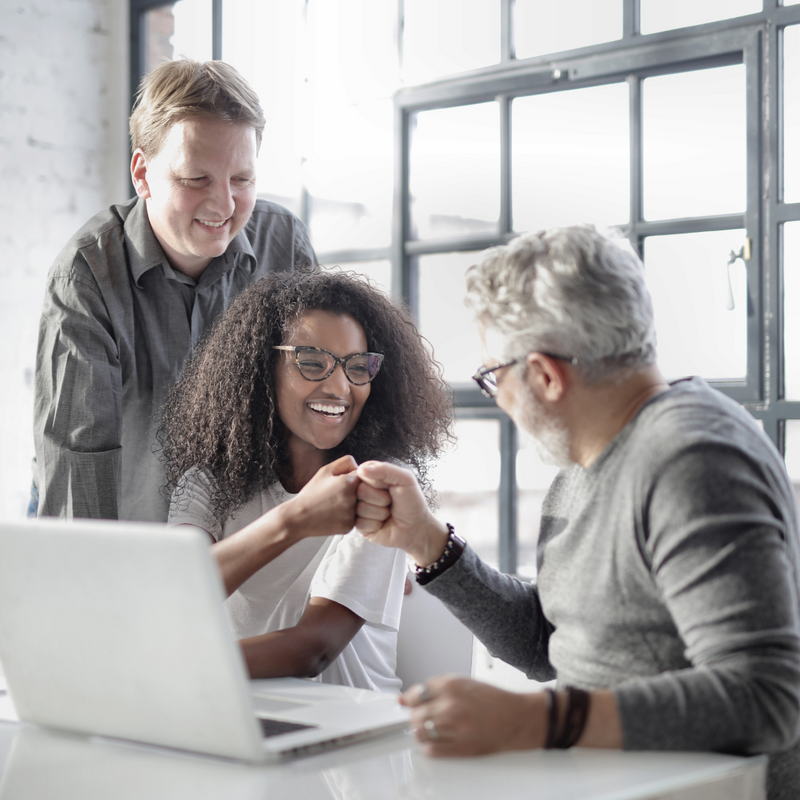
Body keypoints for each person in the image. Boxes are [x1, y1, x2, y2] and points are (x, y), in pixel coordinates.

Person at [354, 225, 800, 798]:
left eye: (494, 378)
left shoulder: (693, 461)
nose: (499, 397)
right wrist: (427, 542)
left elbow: (766, 698)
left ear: (544, 375)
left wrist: (533, 722)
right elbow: (550, 643)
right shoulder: (587, 461)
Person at [33, 58, 315, 522]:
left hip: (247, 543)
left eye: (242, 179)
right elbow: (77, 465)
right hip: (130, 533)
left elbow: (323, 399)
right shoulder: (85, 276)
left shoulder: (284, 246)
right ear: (142, 175)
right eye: (195, 179)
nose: (223, 204)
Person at [161, 269, 452, 691]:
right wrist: (295, 518)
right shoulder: (206, 483)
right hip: (237, 713)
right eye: (311, 362)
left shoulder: (380, 487)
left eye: (358, 367)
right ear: (262, 368)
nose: (340, 387)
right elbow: (176, 596)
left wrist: (171, 664)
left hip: (352, 729)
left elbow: (313, 649)